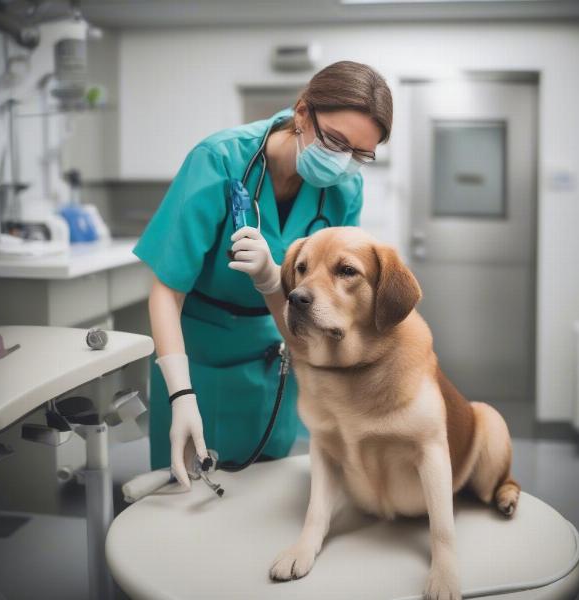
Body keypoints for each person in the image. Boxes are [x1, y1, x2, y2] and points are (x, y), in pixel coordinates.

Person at [133, 60, 393, 488]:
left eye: (359, 154)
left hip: (278, 352)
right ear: (302, 113)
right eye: (335, 141)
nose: (343, 162)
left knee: (266, 494)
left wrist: (274, 281)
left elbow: (329, 304)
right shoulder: (219, 160)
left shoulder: (345, 189)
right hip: (199, 355)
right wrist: (181, 394)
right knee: (183, 498)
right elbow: (166, 289)